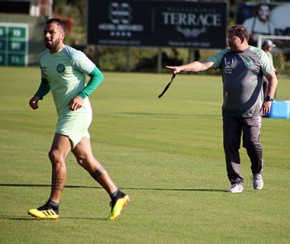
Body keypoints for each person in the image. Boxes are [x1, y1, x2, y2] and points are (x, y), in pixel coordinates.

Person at [28, 18, 129, 220]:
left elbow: (98, 75)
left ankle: (53, 206)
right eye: (45, 32)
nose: (47, 36)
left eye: (52, 33)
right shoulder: (43, 57)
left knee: (56, 154)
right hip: (65, 113)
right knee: (84, 159)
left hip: (77, 113)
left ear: (62, 35)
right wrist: (39, 95)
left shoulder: (73, 55)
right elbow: (46, 81)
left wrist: (81, 96)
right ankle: (117, 195)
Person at [166, 25, 278, 193]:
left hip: (252, 111)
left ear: (242, 39)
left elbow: (272, 78)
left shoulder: (259, 54)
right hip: (229, 111)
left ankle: (257, 172)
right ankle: (236, 182)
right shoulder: (225, 55)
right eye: (228, 38)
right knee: (230, 146)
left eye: (231, 38)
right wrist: (181, 68)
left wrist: (268, 99)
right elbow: (203, 64)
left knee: (251, 143)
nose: (228, 41)